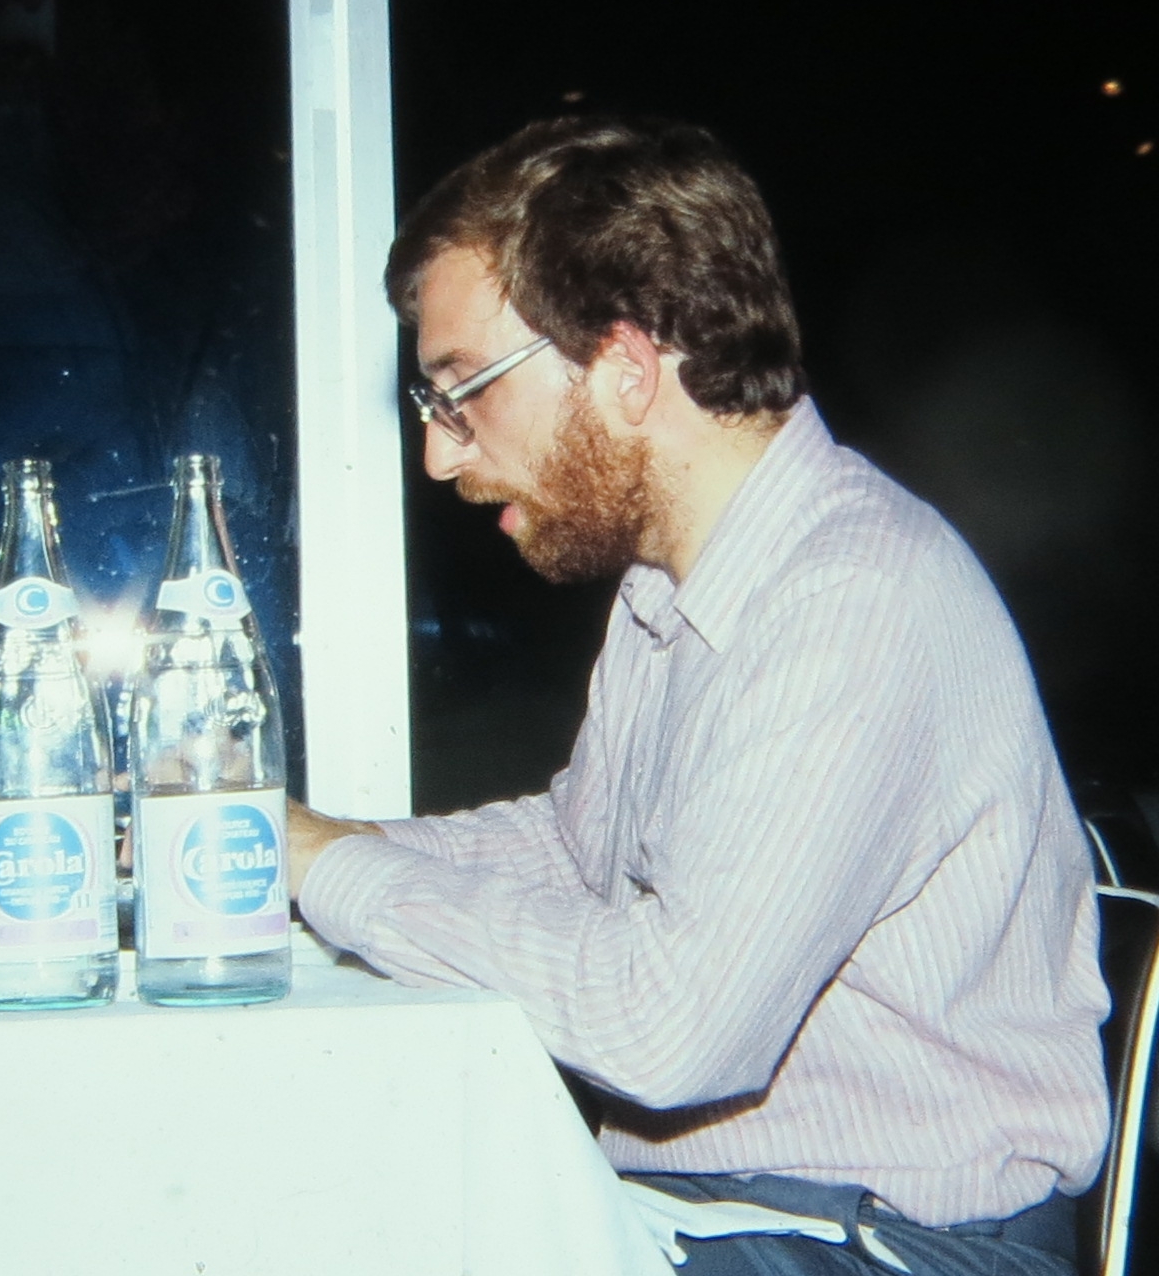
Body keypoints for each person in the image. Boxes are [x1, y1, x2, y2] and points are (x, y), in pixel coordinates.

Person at [287, 116, 1110, 1276]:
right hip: (731, 1218)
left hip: (889, 1243)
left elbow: (666, 1030)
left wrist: (336, 873)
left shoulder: (853, 595)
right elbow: (573, 851)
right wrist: (299, 846)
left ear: (625, 366)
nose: (438, 454)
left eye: (460, 389)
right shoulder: (669, 592)